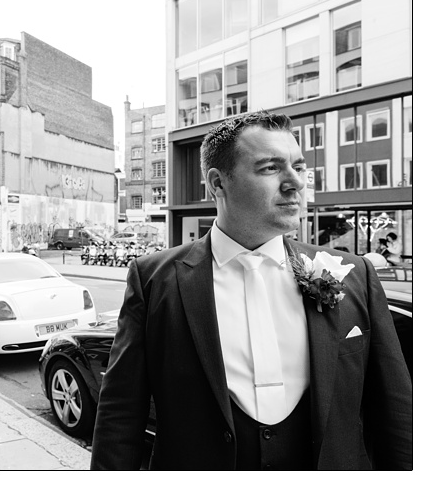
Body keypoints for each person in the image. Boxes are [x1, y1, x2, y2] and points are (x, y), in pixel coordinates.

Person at [90, 111, 412, 470]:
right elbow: (121, 414)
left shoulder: (355, 275)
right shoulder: (153, 280)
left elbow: (394, 410)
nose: (296, 183)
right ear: (217, 183)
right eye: (271, 168)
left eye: (299, 167)